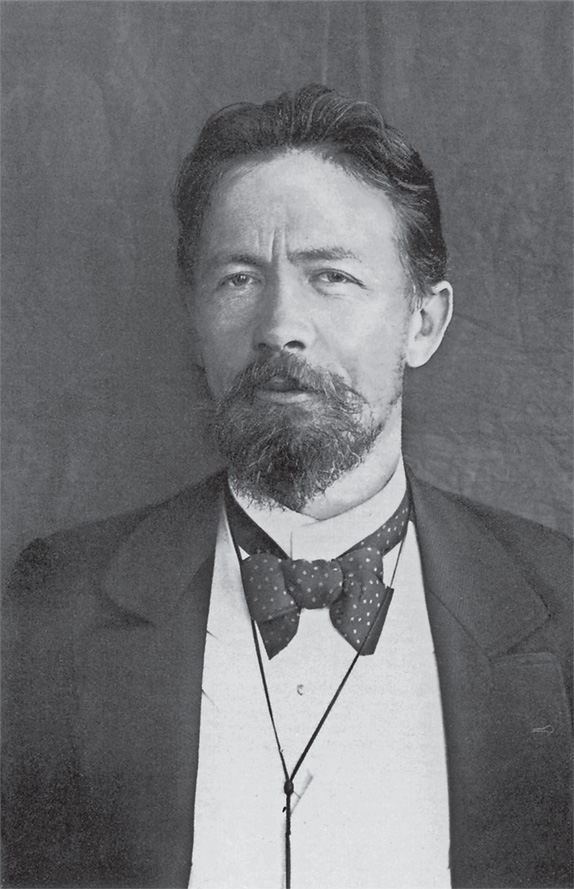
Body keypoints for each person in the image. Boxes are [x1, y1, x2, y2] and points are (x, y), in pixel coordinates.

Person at [2, 85, 572, 889]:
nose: (280, 327)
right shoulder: (59, 600)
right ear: (195, 320)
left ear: (423, 322)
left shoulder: (559, 601)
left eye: (331, 276)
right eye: (239, 278)